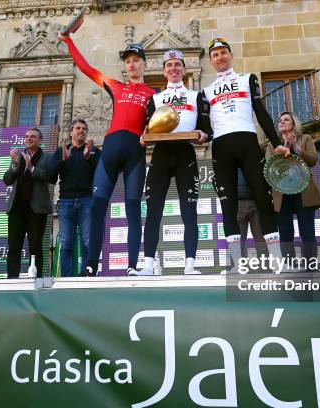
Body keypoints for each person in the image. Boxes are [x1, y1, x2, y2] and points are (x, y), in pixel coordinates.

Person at [59, 32, 157, 276]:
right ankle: (91, 265)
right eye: (128, 61)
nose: (132, 64)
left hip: (135, 152)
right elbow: (85, 68)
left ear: (145, 63)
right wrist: (68, 41)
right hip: (111, 149)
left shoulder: (154, 94)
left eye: (136, 59)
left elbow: (164, 122)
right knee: (97, 208)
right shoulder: (116, 86)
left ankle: (133, 265)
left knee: (132, 209)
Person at [202, 37, 284, 273]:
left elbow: (261, 112)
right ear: (211, 60)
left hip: (248, 142)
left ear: (230, 55)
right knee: (228, 206)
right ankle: (237, 263)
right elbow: (207, 129)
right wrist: (200, 136)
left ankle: (277, 259)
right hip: (221, 146)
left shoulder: (247, 79)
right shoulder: (206, 92)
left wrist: (277, 142)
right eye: (215, 54)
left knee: (263, 198)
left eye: (223, 53)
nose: (220, 57)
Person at [134, 49, 211, 276]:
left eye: (178, 64)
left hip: (185, 154)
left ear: (184, 70)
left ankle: (190, 265)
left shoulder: (197, 96)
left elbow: (208, 129)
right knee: (154, 210)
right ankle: (148, 264)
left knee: (189, 211)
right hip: (161, 154)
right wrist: (143, 136)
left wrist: (204, 135)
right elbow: (146, 130)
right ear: (164, 70)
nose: (174, 69)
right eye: (170, 65)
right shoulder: (154, 99)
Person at [48, 119, 100, 277]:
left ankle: (86, 276)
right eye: (78, 128)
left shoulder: (94, 151)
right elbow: (50, 177)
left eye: (84, 129)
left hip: (87, 200)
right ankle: (67, 279)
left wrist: (89, 158)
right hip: (66, 202)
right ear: (71, 132)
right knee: (66, 243)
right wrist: (62, 160)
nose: (81, 131)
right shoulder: (61, 150)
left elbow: (102, 174)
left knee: (88, 242)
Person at [272, 112, 320, 266]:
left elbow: (313, 160)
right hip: (282, 192)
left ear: (294, 123)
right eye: (280, 120)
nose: (282, 122)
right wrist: (284, 148)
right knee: (285, 232)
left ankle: (310, 264)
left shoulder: (305, 138)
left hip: (304, 191)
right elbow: (269, 166)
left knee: (307, 231)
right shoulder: (272, 143)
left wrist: (295, 146)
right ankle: (289, 265)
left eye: (286, 119)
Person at [3, 127, 52, 278]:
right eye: (26, 136)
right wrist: (14, 165)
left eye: (33, 136)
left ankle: (36, 279)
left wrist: (31, 168)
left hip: (36, 210)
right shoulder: (18, 156)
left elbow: (49, 176)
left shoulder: (47, 158)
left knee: (36, 247)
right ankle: (12, 280)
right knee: (13, 247)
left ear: (40, 141)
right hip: (17, 208)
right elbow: (7, 180)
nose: (29, 138)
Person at [236, 169, 268, 261]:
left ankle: (264, 264)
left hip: (256, 202)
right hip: (237, 203)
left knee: (260, 236)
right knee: (238, 239)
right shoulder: (229, 161)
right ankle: (238, 265)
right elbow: (219, 180)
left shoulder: (252, 159)